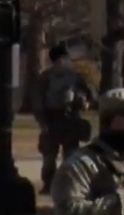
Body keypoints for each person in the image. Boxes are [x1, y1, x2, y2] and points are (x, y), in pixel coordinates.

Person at [38, 44, 96, 185]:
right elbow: (38, 100)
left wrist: (84, 100)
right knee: (49, 156)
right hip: (52, 119)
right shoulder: (46, 77)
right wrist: (42, 122)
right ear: (57, 60)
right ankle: (48, 183)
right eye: (63, 58)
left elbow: (91, 95)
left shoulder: (75, 77)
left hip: (70, 118)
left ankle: (68, 183)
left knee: (71, 155)